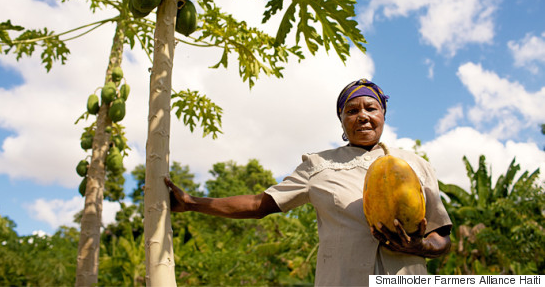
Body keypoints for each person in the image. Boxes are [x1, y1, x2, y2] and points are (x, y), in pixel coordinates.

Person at [165, 78, 452, 286]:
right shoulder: (317, 164)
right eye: (352, 110)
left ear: (383, 115)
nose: (362, 116)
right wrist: (191, 203)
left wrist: (421, 247)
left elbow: (442, 236)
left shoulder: (415, 165)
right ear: (341, 120)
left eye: (370, 108)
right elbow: (259, 204)